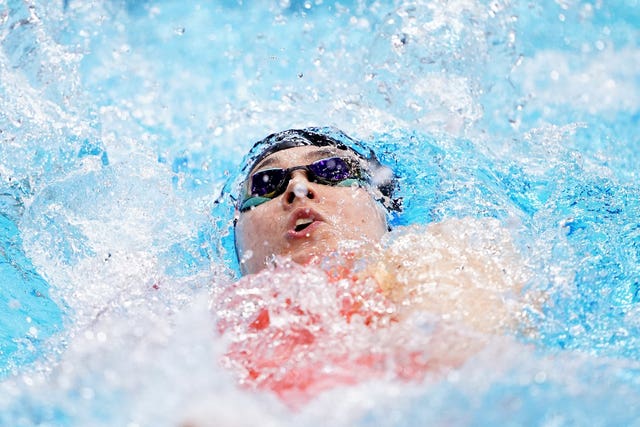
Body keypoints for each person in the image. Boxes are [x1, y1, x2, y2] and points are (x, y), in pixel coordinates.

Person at [215, 127, 532, 407]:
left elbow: (461, 367)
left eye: (332, 170)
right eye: (266, 183)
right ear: (236, 231)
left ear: (381, 203)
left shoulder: (436, 255)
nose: (298, 190)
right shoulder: (200, 315)